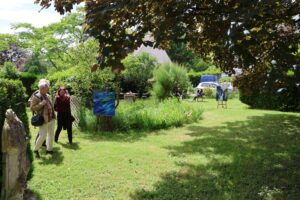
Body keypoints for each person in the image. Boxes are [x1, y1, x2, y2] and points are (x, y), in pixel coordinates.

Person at [30, 79, 56, 158]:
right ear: (41, 88)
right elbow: (32, 108)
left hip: (51, 118)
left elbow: (51, 106)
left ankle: (49, 149)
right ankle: (36, 150)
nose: (47, 89)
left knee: (51, 135)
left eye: (47, 88)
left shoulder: (47, 95)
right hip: (44, 119)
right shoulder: (36, 96)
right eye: (45, 88)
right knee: (42, 135)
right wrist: (41, 104)